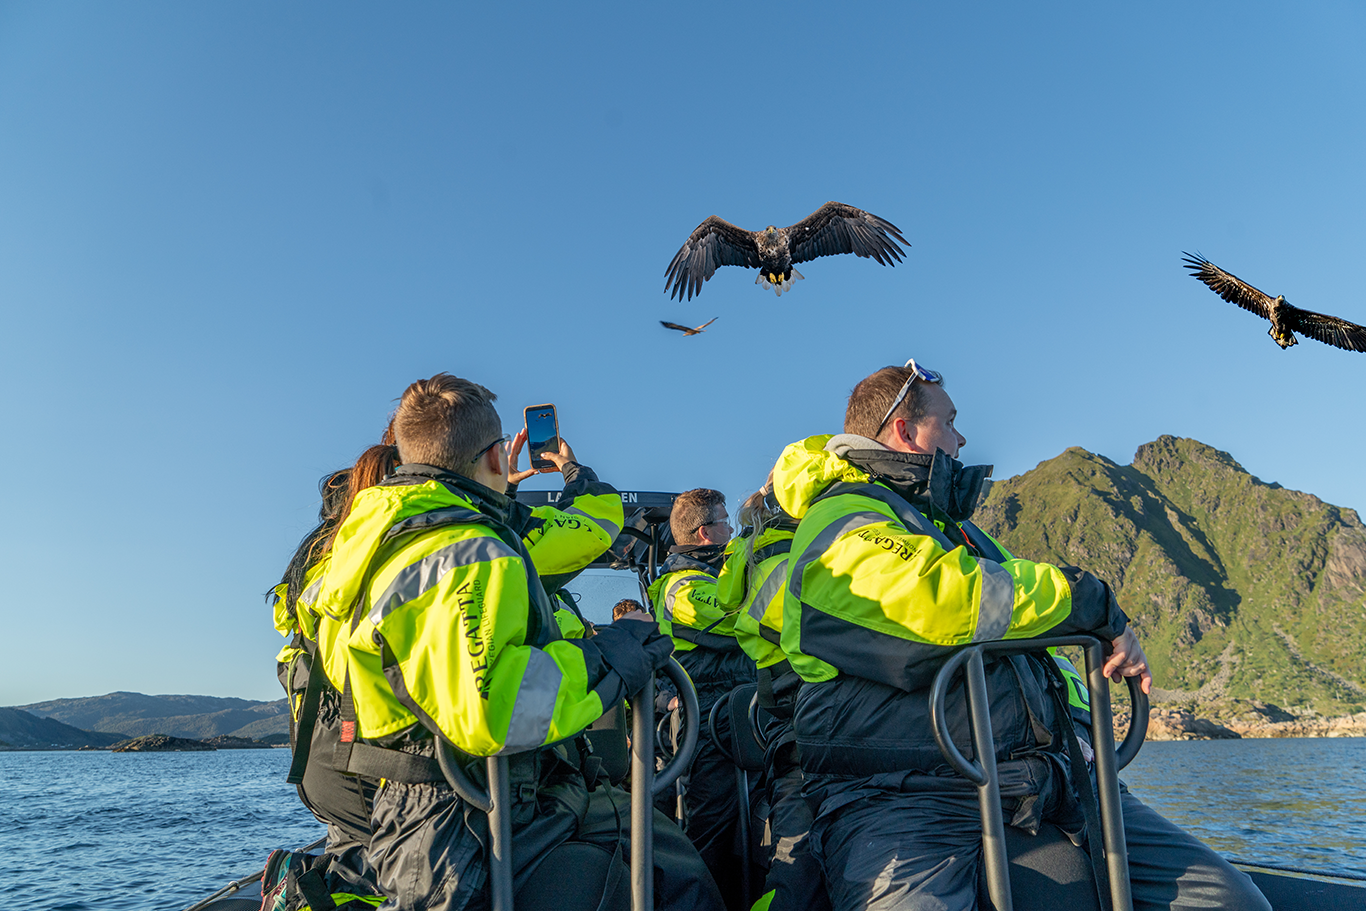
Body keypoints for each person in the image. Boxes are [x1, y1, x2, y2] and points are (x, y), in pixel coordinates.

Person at [774, 359, 1269, 911]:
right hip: (906, 796)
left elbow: (1032, 632)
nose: (962, 439)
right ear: (906, 431)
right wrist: (1090, 601)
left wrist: (1088, 711)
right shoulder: (840, 519)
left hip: (1056, 780)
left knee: (1230, 902)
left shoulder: (958, 532)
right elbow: (944, 604)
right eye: (950, 422)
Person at [313, 373, 723, 911]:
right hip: (475, 809)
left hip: (414, 807)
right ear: (494, 456)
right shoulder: (469, 549)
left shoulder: (363, 543)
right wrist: (616, 651)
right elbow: (494, 710)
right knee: (679, 879)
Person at [716, 477, 828, 911]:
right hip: (810, 705)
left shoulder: (749, 554)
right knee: (798, 870)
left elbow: (726, 603)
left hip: (782, 704)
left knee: (795, 865)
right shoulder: (799, 554)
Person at [648, 488, 758, 910]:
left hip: (736, 712)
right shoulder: (684, 587)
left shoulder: (711, 577)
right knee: (712, 831)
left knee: (746, 825)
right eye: (726, 522)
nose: (731, 529)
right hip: (710, 718)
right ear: (705, 533)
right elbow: (738, 619)